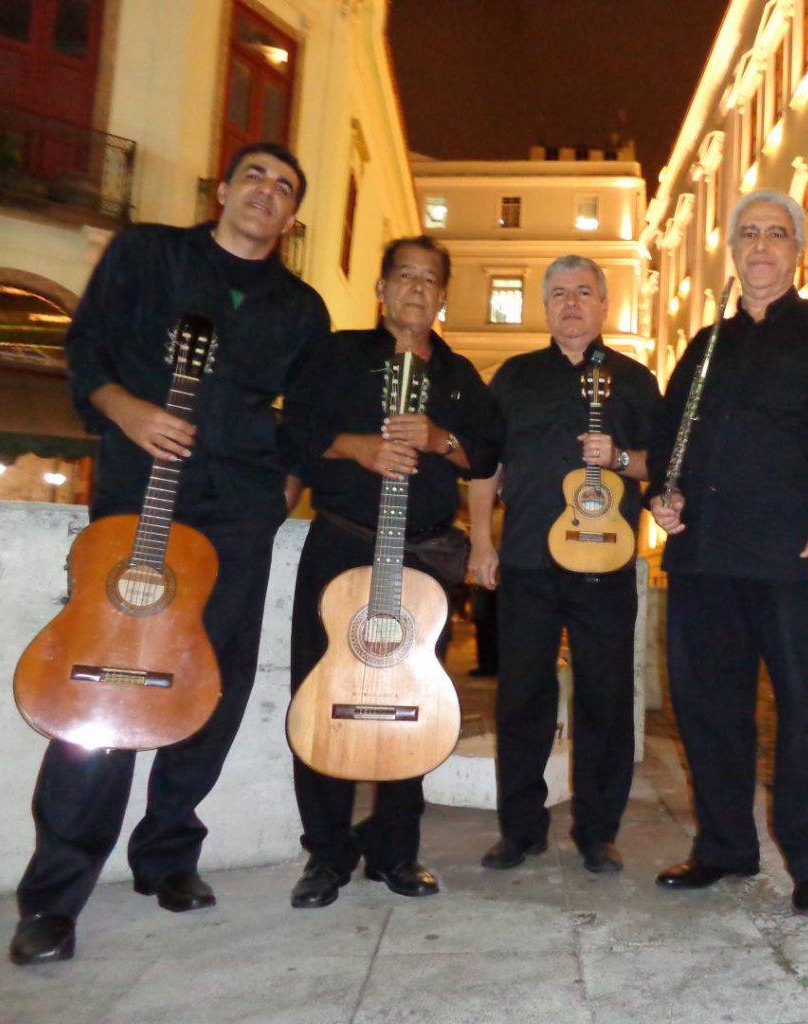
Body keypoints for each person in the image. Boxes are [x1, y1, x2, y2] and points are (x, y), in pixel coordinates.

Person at [9, 143, 331, 965]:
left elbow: (311, 421)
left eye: (284, 188)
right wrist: (125, 410)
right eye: (254, 177)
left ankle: (167, 854)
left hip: (238, 516)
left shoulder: (301, 308)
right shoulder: (146, 255)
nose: (267, 193)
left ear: (293, 217)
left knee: (209, 687)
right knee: (98, 685)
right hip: (136, 501)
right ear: (221, 189)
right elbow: (86, 349)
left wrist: (279, 496)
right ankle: (53, 895)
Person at [648, 189, 808, 919]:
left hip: (793, 555)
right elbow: (667, 445)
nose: (760, 245)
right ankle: (723, 847)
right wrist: (663, 494)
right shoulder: (703, 345)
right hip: (702, 557)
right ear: (732, 249)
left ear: (797, 250)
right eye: (747, 233)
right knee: (708, 709)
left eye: (775, 234)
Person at [282, 236, 502, 908]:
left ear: (442, 297)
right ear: (380, 290)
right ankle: (324, 854)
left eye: (429, 279)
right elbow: (291, 435)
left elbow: (489, 454)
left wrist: (443, 441)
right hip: (343, 546)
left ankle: (395, 850)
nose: (415, 288)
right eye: (403, 276)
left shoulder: (461, 377)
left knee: (412, 701)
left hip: (422, 559)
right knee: (324, 697)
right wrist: (358, 448)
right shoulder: (337, 355)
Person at [469, 255, 659, 874]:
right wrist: (480, 542)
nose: (571, 303)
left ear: (604, 305)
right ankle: (520, 830)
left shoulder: (634, 379)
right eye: (559, 294)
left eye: (584, 292)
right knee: (521, 695)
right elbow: (485, 467)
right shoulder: (514, 377)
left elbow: (661, 467)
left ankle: (597, 832)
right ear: (545, 307)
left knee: (606, 696)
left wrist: (623, 456)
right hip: (525, 559)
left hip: (606, 562)